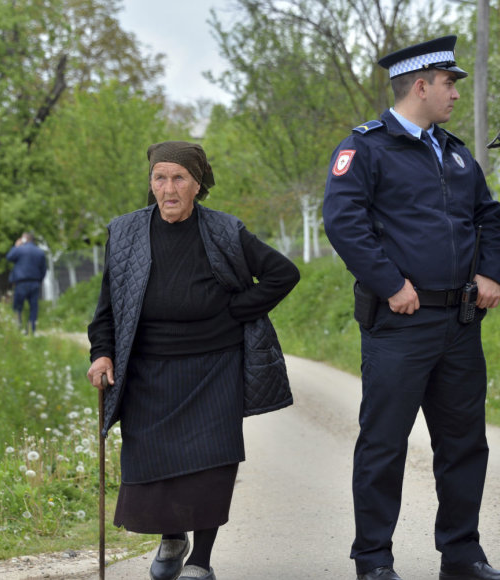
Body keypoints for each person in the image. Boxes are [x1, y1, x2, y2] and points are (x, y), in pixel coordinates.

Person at [323, 36, 500, 580]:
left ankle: (462, 554)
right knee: (384, 445)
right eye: (450, 83)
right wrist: (389, 283)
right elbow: (343, 223)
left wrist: (490, 273)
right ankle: (374, 561)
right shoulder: (365, 149)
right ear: (421, 85)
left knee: (464, 445)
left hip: (459, 320)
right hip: (400, 324)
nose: (455, 93)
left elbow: (487, 216)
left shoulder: (454, 152)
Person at [85, 141, 300, 580]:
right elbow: (108, 307)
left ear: (197, 185)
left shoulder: (223, 230)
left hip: (214, 367)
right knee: (155, 462)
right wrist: (102, 353)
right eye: (160, 177)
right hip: (148, 370)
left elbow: (283, 273)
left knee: (209, 465)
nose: (168, 188)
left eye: (179, 178)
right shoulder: (126, 232)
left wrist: (238, 310)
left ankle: (200, 561)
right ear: (150, 183)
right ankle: (172, 537)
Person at [5, 232, 47, 335]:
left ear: (24, 239)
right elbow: (44, 269)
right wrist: (39, 280)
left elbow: (9, 257)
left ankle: (17, 329)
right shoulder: (40, 252)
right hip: (35, 282)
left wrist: (16, 246)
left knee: (18, 307)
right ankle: (32, 330)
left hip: (21, 283)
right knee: (34, 307)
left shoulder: (19, 249)